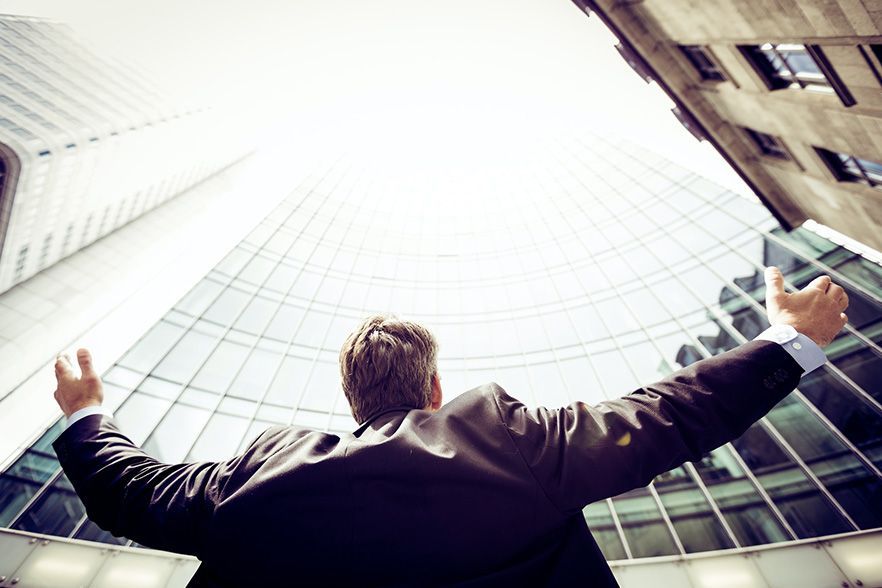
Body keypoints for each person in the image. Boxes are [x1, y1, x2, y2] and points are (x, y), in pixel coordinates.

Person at [52, 266, 848, 587]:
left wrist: (88, 411)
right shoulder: (501, 437)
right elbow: (661, 416)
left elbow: (131, 494)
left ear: (352, 400)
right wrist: (788, 342)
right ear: (435, 388)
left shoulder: (257, 479)